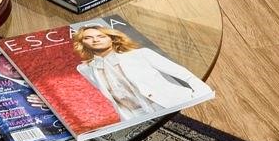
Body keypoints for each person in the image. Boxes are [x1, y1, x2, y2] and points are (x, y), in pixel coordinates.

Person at [72, 23, 205, 116]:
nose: (95, 40)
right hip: (135, 115)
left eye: (101, 36)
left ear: (112, 39)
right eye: (88, 38)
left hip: (171, 102)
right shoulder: (85, 69)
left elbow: (182, 72)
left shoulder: (140, 54)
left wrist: (201, 93)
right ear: (82, 42)